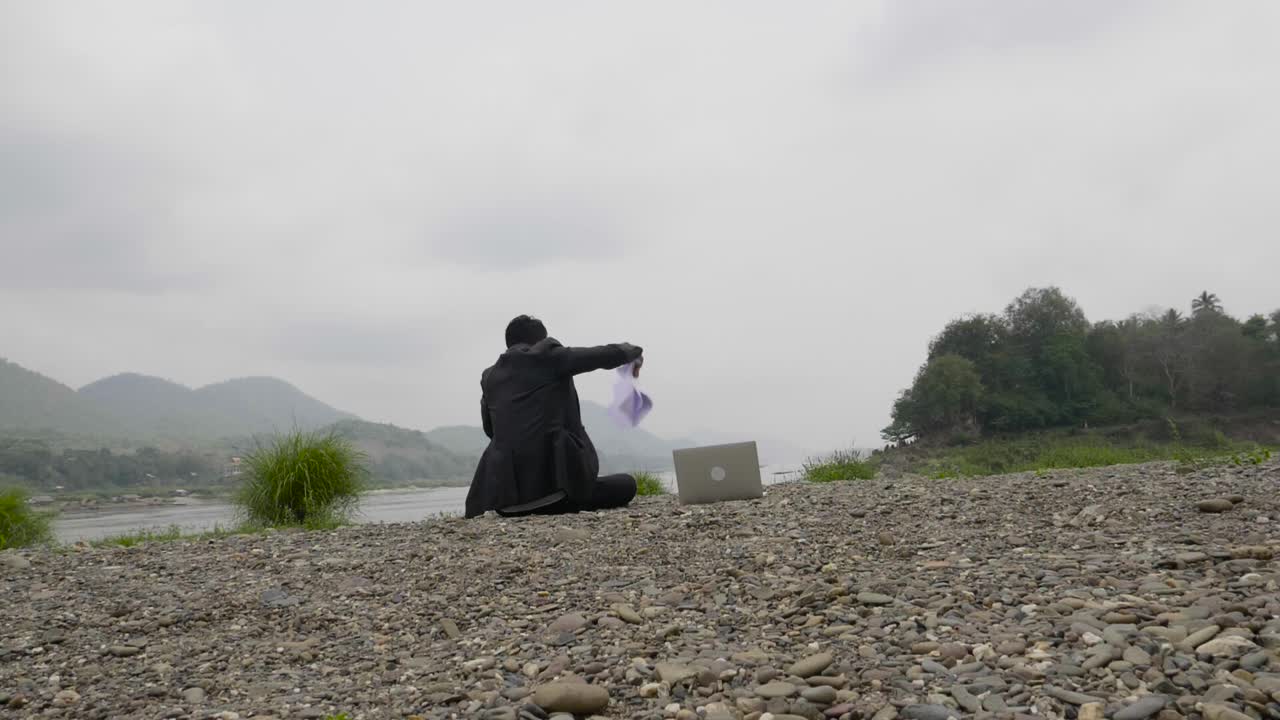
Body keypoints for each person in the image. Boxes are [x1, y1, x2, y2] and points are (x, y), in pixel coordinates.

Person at [463, 315, 644, 518]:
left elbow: (490, 429)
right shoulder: (547, 357)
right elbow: (602, 355)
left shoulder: (489, 377)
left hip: (505, 503)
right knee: (627, 484)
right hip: (557, 494)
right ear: (541, 341)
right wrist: (634, 353)